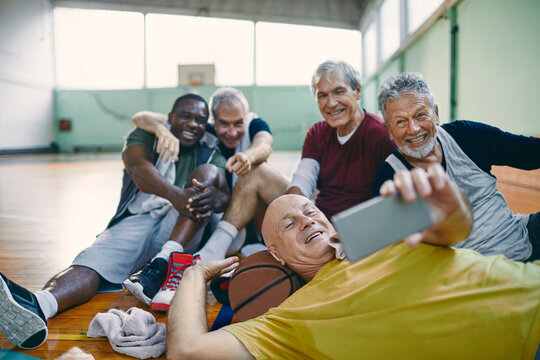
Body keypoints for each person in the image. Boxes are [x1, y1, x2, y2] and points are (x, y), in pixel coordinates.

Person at [165, 165, 540, 360]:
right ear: (276, 254)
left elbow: (451, 229)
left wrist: (450, 206)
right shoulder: (288, 320)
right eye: (290, 224)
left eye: (310, 212)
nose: (307, 220)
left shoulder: (374, 232)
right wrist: (197, 270)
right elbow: (187, 351)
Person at [0, 93, 230, 349]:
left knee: (206, 177)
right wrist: (177, 195)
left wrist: (213, 199)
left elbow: (224, 194)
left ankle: (164, 261)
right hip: (139, 215)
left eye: (200, 119)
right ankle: (40, 304)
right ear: (170, 117)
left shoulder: (210, 147)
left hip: (181, 227)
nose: (193, 124)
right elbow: (138, 169)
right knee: (92, 262)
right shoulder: (146, 134)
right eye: (186, 116)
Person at [128, 87, 289, 306]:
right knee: (205, 178)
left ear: (245, 117)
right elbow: (140, 117)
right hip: (228, 224)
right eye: (224, 124)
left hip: (253, 220)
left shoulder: (254, 124)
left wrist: (247, 156)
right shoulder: (204, 129)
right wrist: (161, 131)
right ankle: (187, 261)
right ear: (213, 121)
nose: (232, 132)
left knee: (256, 170)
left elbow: (265, 144)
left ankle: (210, 254)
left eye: (238, 123)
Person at [373, 72, 540, 262]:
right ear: (389, 131)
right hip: (466, 270)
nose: (414, 129)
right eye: (401, 122)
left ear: (436, 114)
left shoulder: (466, 135)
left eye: (421, 115)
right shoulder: (388, 179)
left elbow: (530, 153)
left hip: (522, 235)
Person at [287, 59, 396, 220]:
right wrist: (291, 206)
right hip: (320, 224)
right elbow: (304, 179)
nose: (331, 103)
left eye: (339, 92)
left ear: (357, 91)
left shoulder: (380, 134)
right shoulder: (317, 133)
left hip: (361, 228)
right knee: (261, 177)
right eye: (322, 95)